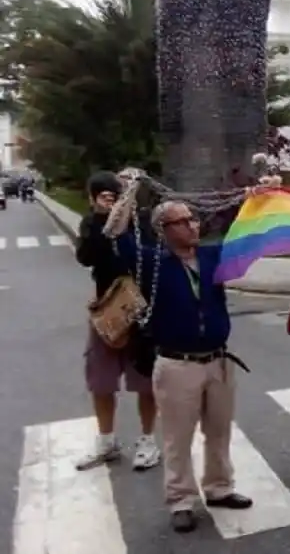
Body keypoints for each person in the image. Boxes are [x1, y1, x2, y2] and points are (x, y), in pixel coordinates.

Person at [108, 197, 253, 533]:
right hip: (177, 365)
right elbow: (118, 237)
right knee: (178, 437)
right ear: (163, 229)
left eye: (193, 219)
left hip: (218, 360)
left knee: (219, 431)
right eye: (182, 221)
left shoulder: (211, 255)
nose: (192, 225)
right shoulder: (152, 262)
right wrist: (129, 194)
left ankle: (219, 488)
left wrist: (257, 196)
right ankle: (181, 500)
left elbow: (243, 232)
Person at [74, 171, 161, 472]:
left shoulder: (145, 222)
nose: (116, 199)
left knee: (146, 382)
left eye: (125, 190)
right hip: (108, 311)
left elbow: (153, 258)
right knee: (101, 380)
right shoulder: (92, 224)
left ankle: (148, 439)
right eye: (108, 195)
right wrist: (101, 219)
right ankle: (107, 440)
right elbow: (85, 257)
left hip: (142, 312)